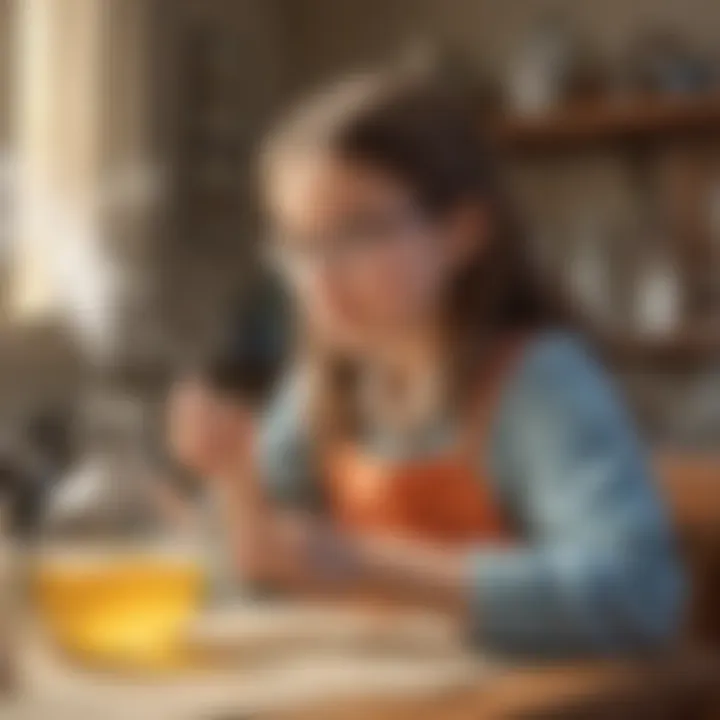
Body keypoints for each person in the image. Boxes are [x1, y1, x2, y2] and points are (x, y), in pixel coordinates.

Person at [168, 70, 684, 657]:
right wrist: (235, 490)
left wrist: (361, 564)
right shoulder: (325, 385)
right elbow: (253, 584)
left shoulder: (540, 382)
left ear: (462, 233)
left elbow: (640, 599)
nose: (322, 278)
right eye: (300, 246)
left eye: (358, 233)